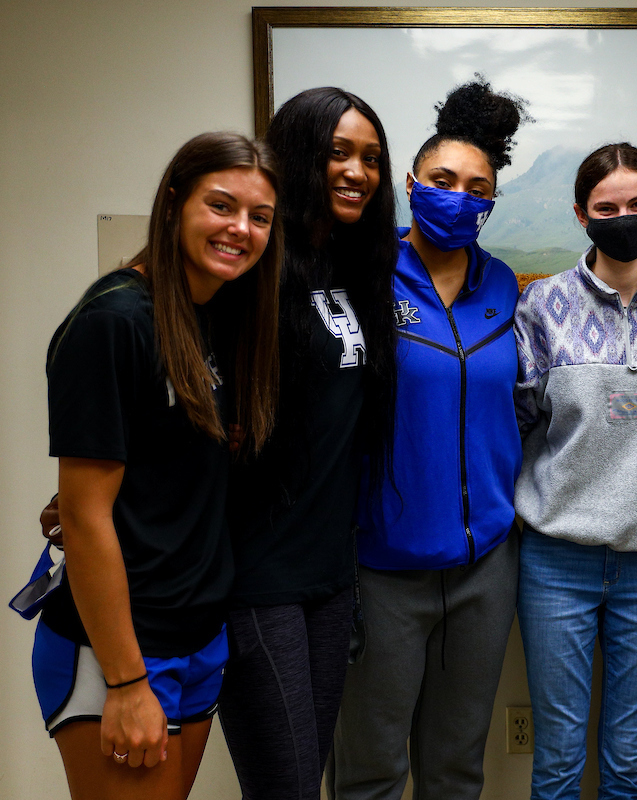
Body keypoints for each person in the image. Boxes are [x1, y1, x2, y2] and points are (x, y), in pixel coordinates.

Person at [31, 132, 282, 799]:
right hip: (120, 650)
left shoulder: (209, 317)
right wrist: (125, 681)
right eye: (222, 206)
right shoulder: (114, 321)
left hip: (199, 636)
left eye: (260, 217)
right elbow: (84, 519)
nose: (241, 229)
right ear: (173, 203)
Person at [329, 78, 528, 800]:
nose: (459, 197)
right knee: (372, 771)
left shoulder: (504, 285)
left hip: (484, 570)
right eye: (442, 181)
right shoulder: (359, 276)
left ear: (492, 202)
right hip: (381, 568)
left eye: (478, 187)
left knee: (455, 770)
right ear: (410, 184)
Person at [513, 142, 637, 800]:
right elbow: (520, 418)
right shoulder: (542, 306)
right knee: (559, 758)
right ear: (582, 215)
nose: (624, 216)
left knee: (630, 762)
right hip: (555, 561)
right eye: (607, 207)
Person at [216, 88, 399, 800]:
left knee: (305, 779)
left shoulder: (353, 270)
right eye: (338, 152)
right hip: (257, 578)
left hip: (330, 575)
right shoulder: (250, 267)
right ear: (297, 156)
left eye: (372, 158)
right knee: (285, 786)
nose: (357, 171)